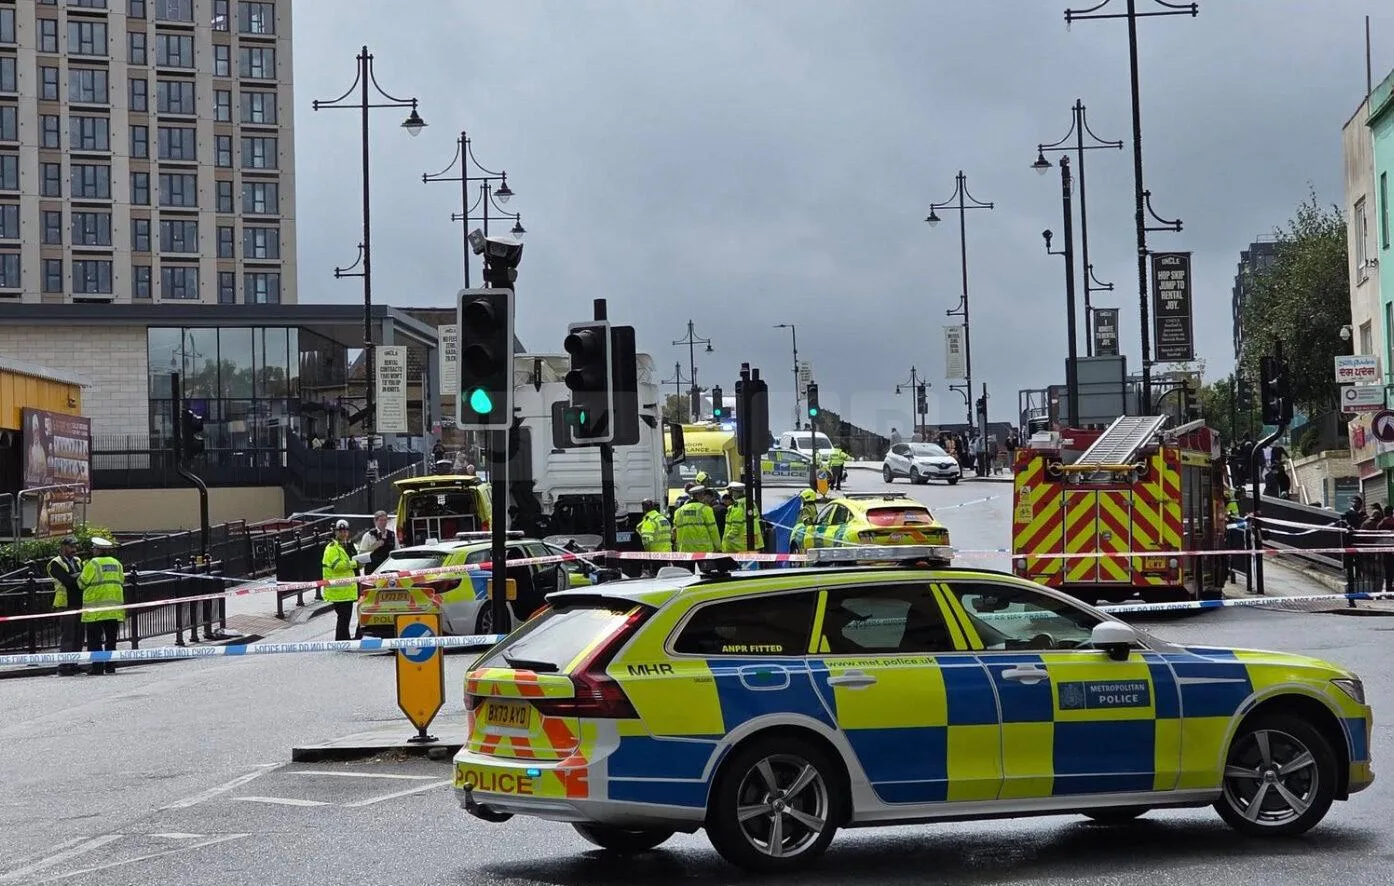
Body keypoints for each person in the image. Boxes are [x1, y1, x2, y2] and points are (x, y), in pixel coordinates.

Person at [78, 538, 125, 676]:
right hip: (114, 610)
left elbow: (81, 583)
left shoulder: (93, 563)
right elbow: (121, 580)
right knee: (111, 640)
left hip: (96, 610)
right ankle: (110, 666)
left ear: (98, 550)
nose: (93, 550)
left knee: (95, 641)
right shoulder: (117, 563)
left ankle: (97, 668)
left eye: (94, 548)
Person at [47, 535, 84, 676]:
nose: (74, 549)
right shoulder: (55, 563)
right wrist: (77, 576)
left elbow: (82, 578)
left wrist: (76, 576)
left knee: (79, 635)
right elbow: (68, 581)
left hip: (79, 602)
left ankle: (74, 664)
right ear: (63, 548)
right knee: (68, 635)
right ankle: (64, 666)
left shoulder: (78, 561)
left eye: (75, 546)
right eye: (71, 547)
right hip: (65, 604)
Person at [322, 519, 360, 641]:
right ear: (336, 532)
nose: (343, 533)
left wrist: (361, 562)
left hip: (348, 588)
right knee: (343, 616)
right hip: (338, 590)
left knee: (346, 616)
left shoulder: (350, 546)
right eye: (340, 531)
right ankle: (342, 641)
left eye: (345, 531)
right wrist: (355, 563)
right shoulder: (332, 548)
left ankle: (345, 639)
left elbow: (359, 560)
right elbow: (337, 566)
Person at [673, 486, 720, 553]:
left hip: (684, 550)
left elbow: (675, 531)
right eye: (703, 495)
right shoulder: (706, 509)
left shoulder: (679, 511)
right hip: (704, 550)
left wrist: (675, 547)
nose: (704, 497)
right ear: (699, 496)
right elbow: (713, 530)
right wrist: (718, 547)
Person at [722, 482, 764, 553]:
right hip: (755, 540)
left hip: (741, 544)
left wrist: (727, 538)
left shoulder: (737, 506)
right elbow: (757, 517)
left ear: (734, 492)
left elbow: (736, 527)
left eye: (730, 492)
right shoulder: (751, 502)